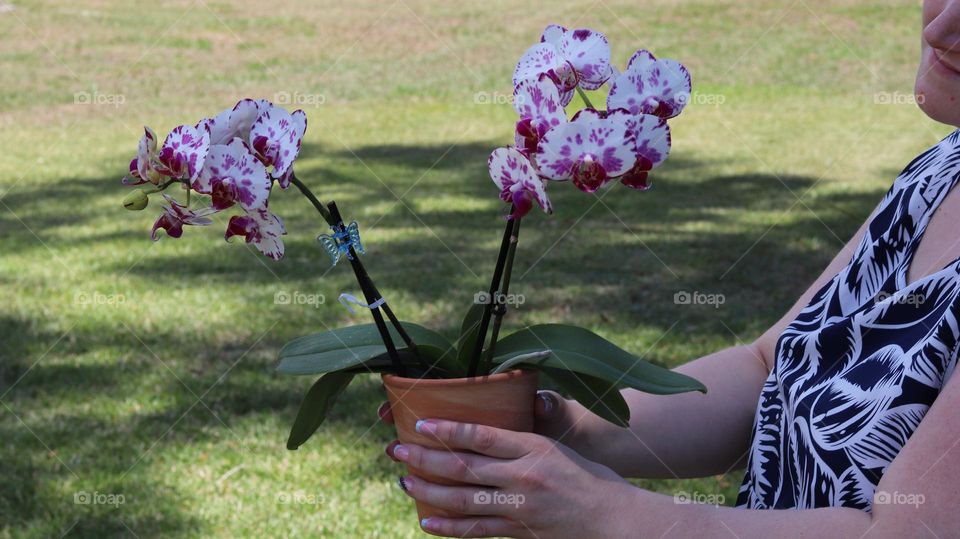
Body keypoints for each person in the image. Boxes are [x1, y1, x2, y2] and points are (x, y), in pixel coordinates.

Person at [378, 1, 960, 536]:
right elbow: (769, 371)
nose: (940, 28)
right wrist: (559, 428)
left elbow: (908, 532)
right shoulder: (941, 172)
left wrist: (606, 510)